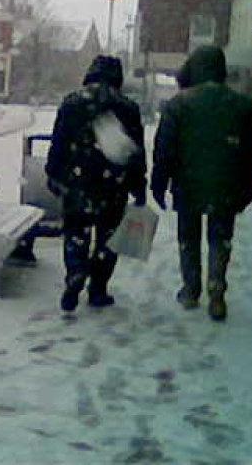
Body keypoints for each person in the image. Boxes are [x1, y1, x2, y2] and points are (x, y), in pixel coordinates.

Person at [151, 45, 252, 322]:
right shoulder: (241, 105)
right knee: (220, 238)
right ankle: (217, 290)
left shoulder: (179, 104)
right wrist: (249, 187)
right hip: (227, 183)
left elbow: (164, 148)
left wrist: (158, 182)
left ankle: (191, 289)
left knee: (188, 237)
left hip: (188, 183)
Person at [42, 55, 147, 312]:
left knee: (76, 231)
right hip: (114, 185)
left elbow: (59, 144)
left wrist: (54, 174)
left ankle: (76, 272)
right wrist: (139, 185)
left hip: (78, 182)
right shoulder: (128, 108)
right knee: (109, 238)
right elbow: (135, 152)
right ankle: (98, 288)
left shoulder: (72, 104)